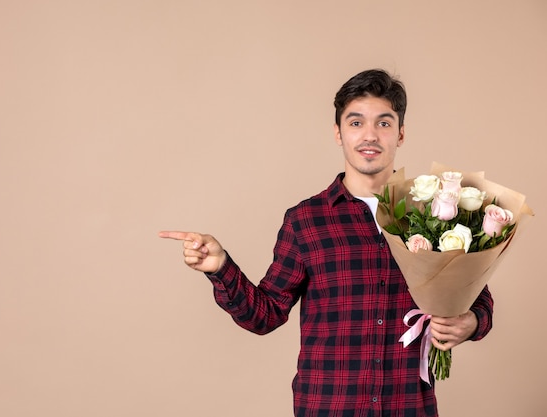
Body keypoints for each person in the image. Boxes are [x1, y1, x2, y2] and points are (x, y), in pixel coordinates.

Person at [159, 69, 493, 417]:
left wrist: (472, 323)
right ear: (338, 133)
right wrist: (221, 268)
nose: (370, 136)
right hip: (328, 408)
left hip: (410, 407)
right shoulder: (306, 221)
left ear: (400, 134)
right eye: (355, 122)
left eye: (383, 123)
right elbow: (265, 315)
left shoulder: (435, 215)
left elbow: (477, 298)